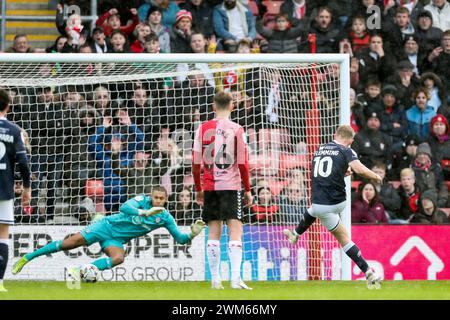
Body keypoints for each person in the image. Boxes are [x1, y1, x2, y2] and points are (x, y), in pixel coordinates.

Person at [12, 186, 205, 280]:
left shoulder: (165, 217)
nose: (157, 200)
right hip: (104, 226)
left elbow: (180, 239)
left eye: (161, 199)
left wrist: (191, 234)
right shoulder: (141, 201)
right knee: (69, 244)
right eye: (155, 197)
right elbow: (124, 207)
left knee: (119, 257)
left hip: (116, 238)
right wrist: (144, 212)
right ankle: (28, 257)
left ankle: (80, 271)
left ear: (165, 200)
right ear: (150, 196)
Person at [283, 125, 383, 289]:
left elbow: (323, 171)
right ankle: (369, 273)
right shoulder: (346, 150)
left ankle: (295, 234)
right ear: (350, 140)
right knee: (344, 238)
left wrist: (342, 172)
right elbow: (359, 169)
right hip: (336, 203)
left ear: (335, 135)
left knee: (314, 211)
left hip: (318, 201)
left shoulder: (320, 149)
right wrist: (375, 175)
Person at [192, 91, 253, 290]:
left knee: (214, 233)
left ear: (213, 106)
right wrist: (248, 189)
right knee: (235, 230)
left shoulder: (202, 128)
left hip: (210, 186)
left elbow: (195, 163)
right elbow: (243, 163)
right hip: (231, 186)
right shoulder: (237, 128)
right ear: (233, 106)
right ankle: (235, 279)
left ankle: (215, 280)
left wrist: (199, 188)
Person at [0, 90, 32, 292]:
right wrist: (27, 188)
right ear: (8, 106)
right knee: (2, 235)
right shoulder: (14, 130)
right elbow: (23, 162)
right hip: (3, 188)